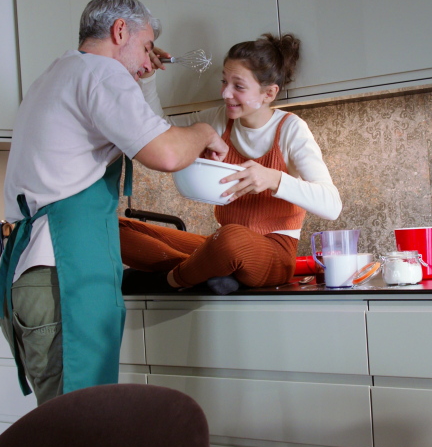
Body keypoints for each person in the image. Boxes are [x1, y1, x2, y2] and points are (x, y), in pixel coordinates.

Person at [0, 0, 228, 404]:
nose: (146, 60)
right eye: (144, 47)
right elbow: (167, 151)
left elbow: (148, 128)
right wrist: (205, 133)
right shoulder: (102, 74)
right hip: (64, 277)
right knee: (80, 433)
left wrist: (146, 77)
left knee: (64, 429)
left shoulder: (57, 74)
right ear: (120, 30)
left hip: (35, 277)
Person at [119, 33, 342, 294]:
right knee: (115, 229)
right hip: (221, 246)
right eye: (224, 82)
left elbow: (332, 205)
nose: (225, 93)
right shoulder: (218, 119)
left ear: (269, 93)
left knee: (230, 237)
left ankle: (169, 281)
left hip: (274, 253)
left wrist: (274, 179)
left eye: (238, 86)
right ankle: (208, 272)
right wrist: (147, 77)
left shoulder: (291, 129)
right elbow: (159, 132)